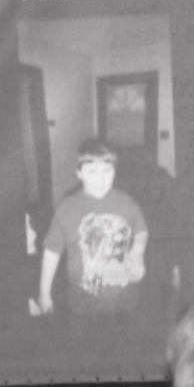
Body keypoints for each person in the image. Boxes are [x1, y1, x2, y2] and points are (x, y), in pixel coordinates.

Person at [37, 136, 150, 324]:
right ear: (79, 173)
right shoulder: (67, 208)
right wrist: (44, 294)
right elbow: (51, 252)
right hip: (82, 307)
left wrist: (137, 253)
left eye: (107, 170)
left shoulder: (127, 203)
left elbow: (141, 230)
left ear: (115, 171)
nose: (100, 178)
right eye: (92, 171)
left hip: (127, 304)